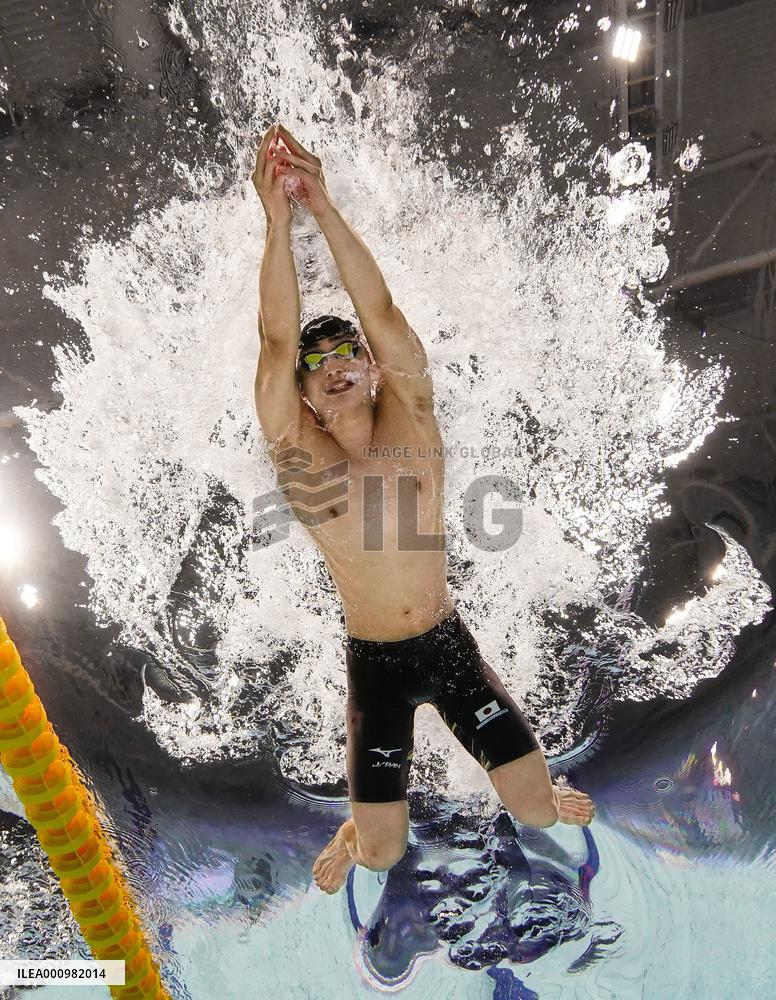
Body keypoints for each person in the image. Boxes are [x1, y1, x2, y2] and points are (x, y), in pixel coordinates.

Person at [252, 123, 595, 895]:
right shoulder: (298, 455)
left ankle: (514, 797)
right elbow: (275, 341)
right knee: (379, 856)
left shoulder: (412, 411)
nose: (334, 366)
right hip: (374, 668)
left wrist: (325, 207)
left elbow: (381, 306)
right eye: (319, 364)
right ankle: (353, 829)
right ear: (304, 392)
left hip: (446, 647)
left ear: (373, 371)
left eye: (348, 354)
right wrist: (278, 223)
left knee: (538, 813)